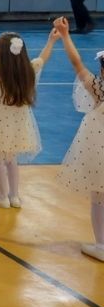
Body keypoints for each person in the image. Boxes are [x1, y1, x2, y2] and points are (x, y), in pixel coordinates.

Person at [0, 28, 58, 209]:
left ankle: (2, 196)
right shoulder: (29, 69)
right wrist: (51, 40)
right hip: (19, 123)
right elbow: (43, 58)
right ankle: (14, 196)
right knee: (12, 159)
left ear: (0, 53)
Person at [54, 19, 104, 262]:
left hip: (99, 145)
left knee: (99, 196)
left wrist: (65, 35)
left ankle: (101, 244)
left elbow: (77, 63)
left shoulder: (98, 88)